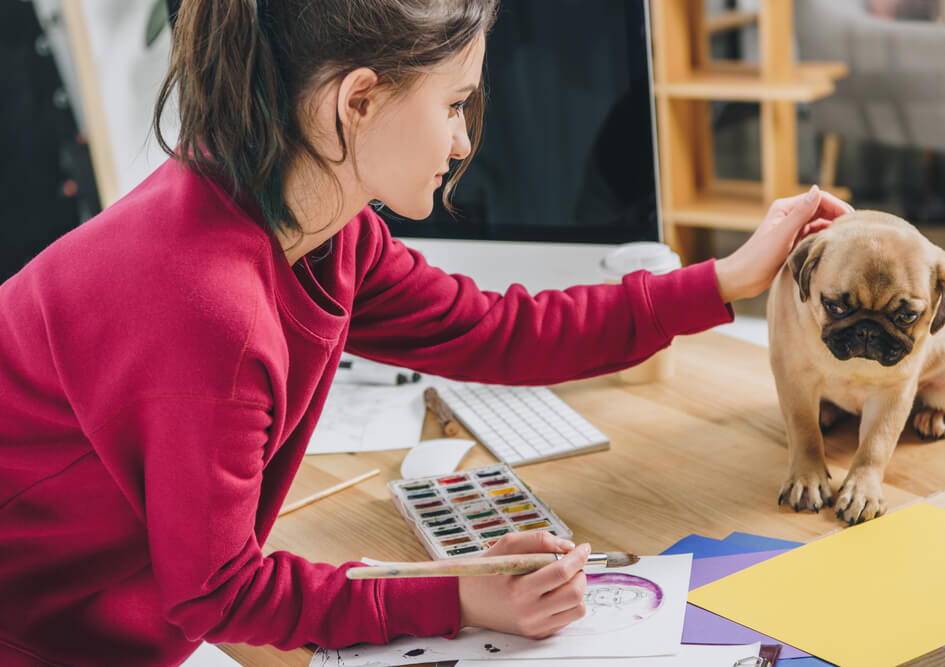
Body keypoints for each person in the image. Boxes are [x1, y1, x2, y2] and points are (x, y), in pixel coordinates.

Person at [0, 1, 852, 665]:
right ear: (357, 100)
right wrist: (460, 596)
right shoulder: (209, 310)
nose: (461, 138)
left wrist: (725, 280)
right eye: (453, 102)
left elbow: (498, 331)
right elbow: (219, 591)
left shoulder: (316, 224)